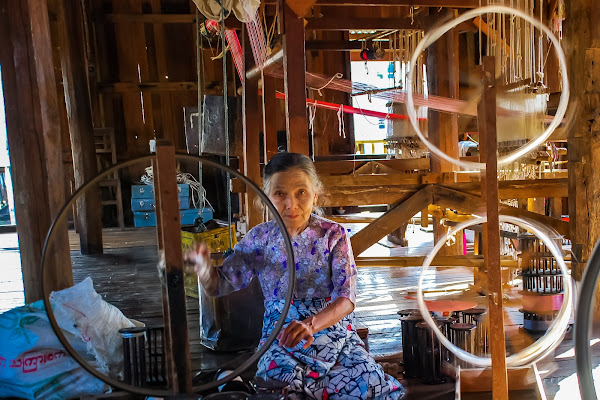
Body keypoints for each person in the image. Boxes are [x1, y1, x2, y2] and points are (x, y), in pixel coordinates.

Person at [186, 152, 405, 400]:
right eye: (280, 194)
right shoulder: (260, 239)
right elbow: (218, 285)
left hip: (332, 331)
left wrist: (311, 324)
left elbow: (346, 298)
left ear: (315, 195)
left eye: (301, 192)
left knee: (371, 384)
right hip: (281, 336)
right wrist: (203, 269)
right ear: (266, 198)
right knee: (279, 386)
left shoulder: (333, 235)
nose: (291, 204)